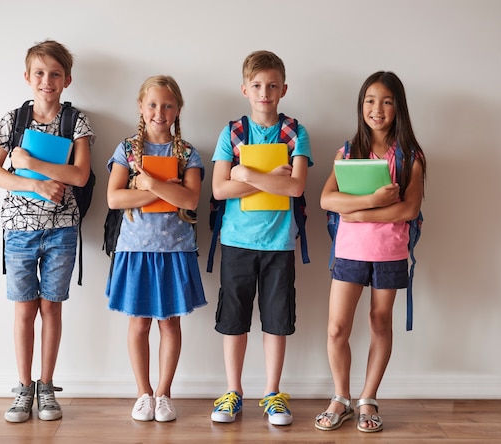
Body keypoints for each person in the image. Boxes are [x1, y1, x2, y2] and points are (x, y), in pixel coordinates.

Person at [0, 40, 95, 423]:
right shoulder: (12, 121)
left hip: (62, 229)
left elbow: (79, 175)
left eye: (55, 74)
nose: (47, 80)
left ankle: (46, 387)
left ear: (67, 80)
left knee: (51, 306)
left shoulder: (74, 121)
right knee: (24, 309)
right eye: (40, 73)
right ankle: (23, 388)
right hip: (18, 230)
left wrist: (30, 162)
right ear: (27, 77)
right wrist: (34, 184)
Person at [316, 71, 426, 433]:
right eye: (370, 101)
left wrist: (358, 212)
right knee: (336, 329)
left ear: (398, 108)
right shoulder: (347, 152)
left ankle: (368, 398)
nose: (377, 109)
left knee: (380, 322)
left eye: (387, 101)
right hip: (349, 252)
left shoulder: (411, 155)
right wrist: (372, 201)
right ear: (361, 105)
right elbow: (326, 199)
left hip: (390, 253)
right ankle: (341, 397)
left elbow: (409, 210)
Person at [210, 50, 313, 426]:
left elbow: (297, 186)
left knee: (276, 320)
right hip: (236, 241)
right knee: (233, 320)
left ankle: (273, 394)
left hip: (279, 243)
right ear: (244, 89)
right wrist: (271, 177)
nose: (264, 92)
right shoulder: (232, 132)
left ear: (283, 89)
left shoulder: (296, 132)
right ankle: (232, 392)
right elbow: (220, 189)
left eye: (271, 85)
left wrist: (246, 174)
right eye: (256, 85)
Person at [105, 75, 206, 423]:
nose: (159, 112)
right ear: (140, 107)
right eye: (152, 104)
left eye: (167, 105)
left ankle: (164, 393)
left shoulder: (187, 153)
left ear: (177, 110)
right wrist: (157, 186)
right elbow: (115, 197)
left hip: (176, 249)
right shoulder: (128, 150)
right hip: (135, 250)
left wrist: (148, 184)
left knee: (170, 325)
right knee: (139, 325)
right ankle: (143, 393)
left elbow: (190, 199)